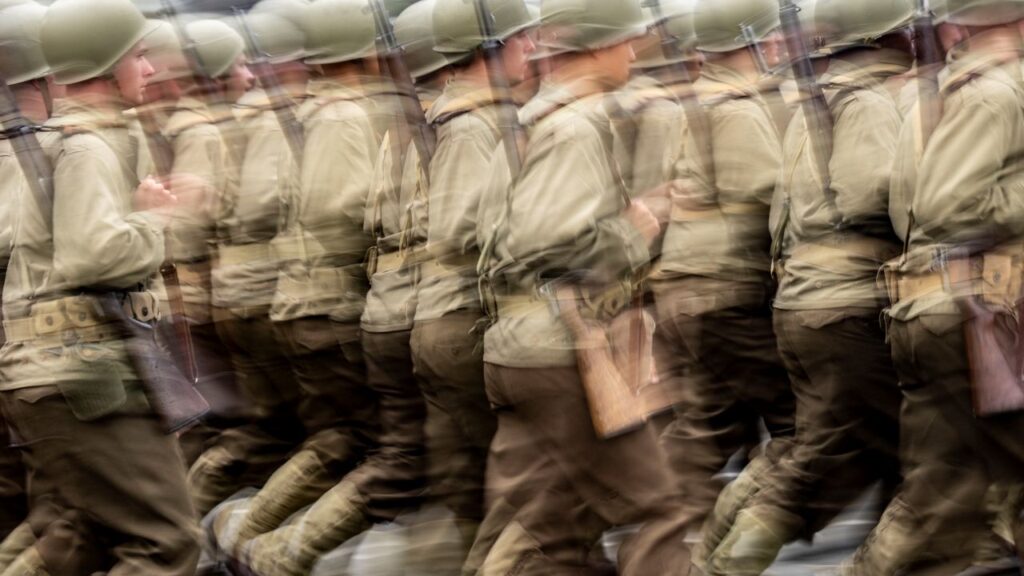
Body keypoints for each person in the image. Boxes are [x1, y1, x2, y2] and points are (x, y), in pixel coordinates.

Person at [469, 0, 692, 572]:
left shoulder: (528, 123)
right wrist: (636, 227)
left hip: (518, 349)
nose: (634, 50)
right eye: (626, 40)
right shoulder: (575, 127)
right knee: (659, 512)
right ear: (596, 47)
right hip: (561, 349)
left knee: (553, 535)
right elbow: (548, 242)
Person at [702, 1, 915, 573]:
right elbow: (877, 194)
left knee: (824, 451)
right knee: (882, 457)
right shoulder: (868, 103)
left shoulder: (813, 103)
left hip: (804, 299)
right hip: (847, 303)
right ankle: (720, 566)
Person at [0, 0, 201, 573]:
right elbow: (93, 255)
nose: (152, 69)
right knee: (166, 544)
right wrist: (156, 218)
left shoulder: (42, 143)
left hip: (48, 370)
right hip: (83, 371)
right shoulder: (84, 145)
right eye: (138, 56)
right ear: (107, 63)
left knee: (76, 538)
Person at [842, 0, 1024, 572]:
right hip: (981, 317)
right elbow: (950, 206)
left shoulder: (931, 95)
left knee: (935, 508)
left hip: (929, 307)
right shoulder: (999, 91)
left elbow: (905, 211)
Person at [648, 0, 797, 569]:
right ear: (747, 42)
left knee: (706, 432)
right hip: (727, 290)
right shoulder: (735, 108)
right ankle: (715, 561)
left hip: (688, 291)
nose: (780, 46)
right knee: (800, 433)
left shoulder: (694, 102)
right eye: (768, 38)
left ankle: (652, 537)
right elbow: (774, 194)